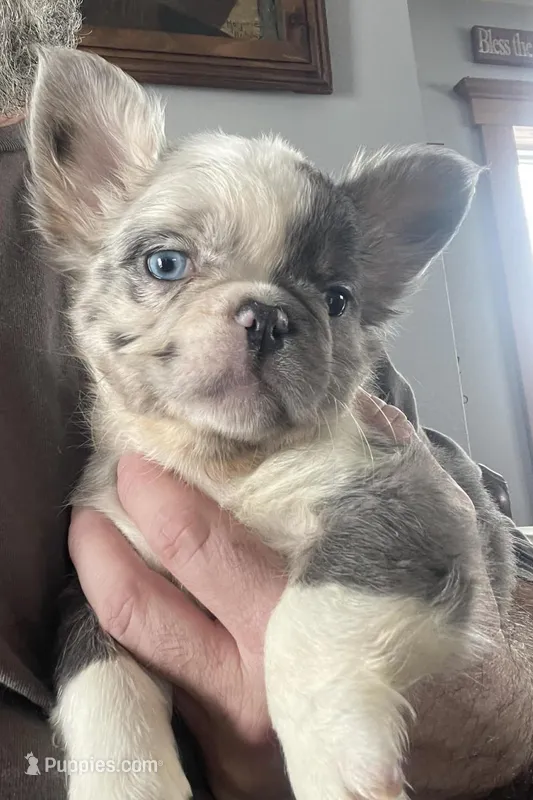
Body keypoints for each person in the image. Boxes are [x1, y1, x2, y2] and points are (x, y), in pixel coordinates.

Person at [1, 3, 533, 799]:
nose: (260, 320)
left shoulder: (353, 425)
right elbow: (103, 627)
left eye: (331, 295)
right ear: (77, 206)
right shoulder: (110, 475)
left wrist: (473, 711)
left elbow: (472, 545)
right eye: (171, 264)